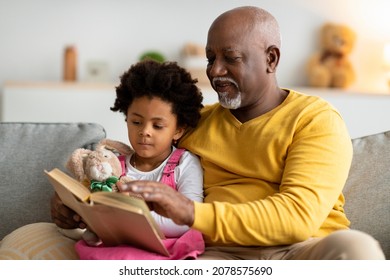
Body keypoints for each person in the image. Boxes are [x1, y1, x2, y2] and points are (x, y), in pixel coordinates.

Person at [51, 6, 385, 260]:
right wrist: (79, 201)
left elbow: (297, 216)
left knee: (357, 249)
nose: (215, 70)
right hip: (214, 255)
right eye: (211, 58)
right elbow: (137, 162)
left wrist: (191, 213)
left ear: (271, 59)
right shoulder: (195, 122)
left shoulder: (314, 120)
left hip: (297, 251)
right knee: (36, 236)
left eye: (230, 58)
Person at [58, 59, 206, 259]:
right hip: (115, 248)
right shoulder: (112, 167)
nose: (144, 132)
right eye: (136, 122)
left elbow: (190, 218)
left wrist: (130, 222)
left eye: (157, 126)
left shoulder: (184, 163)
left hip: (165, 248)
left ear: (178, 130)